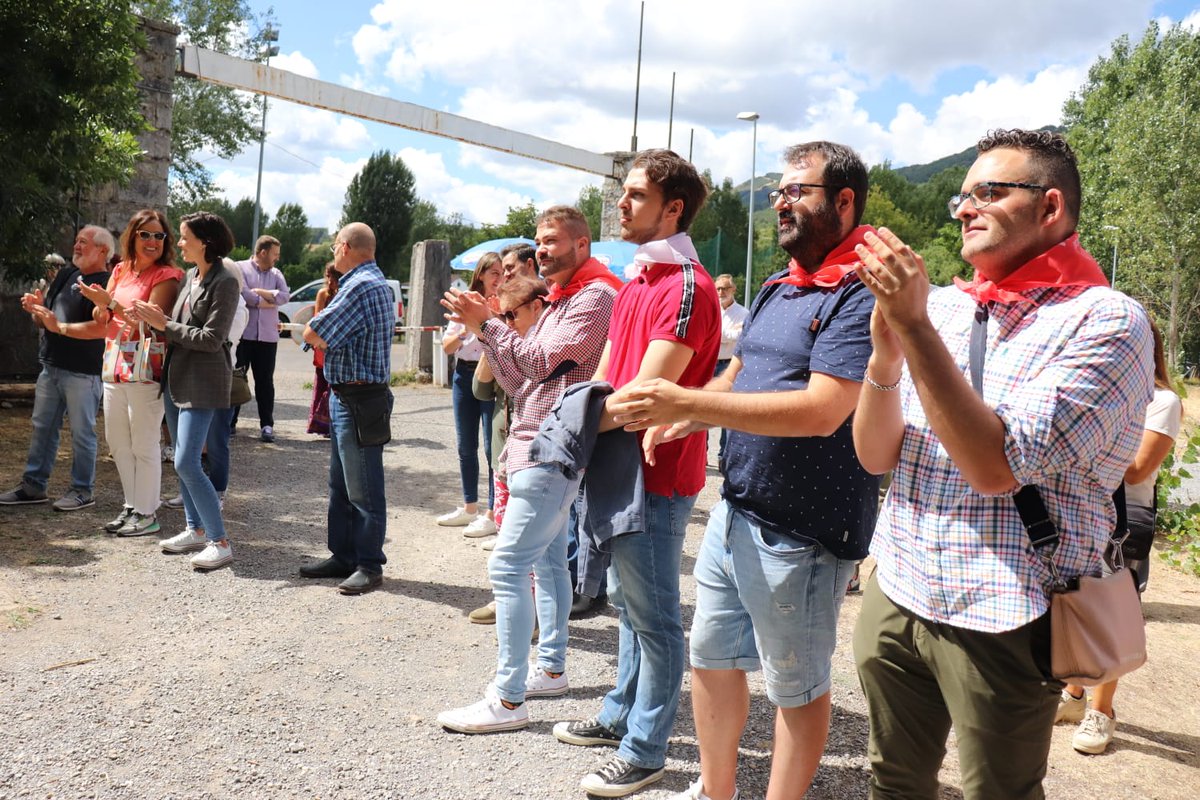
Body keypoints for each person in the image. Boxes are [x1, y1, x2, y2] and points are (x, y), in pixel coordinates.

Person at [850, 128, 1152, 799]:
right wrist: (886, 355)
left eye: (988, 192)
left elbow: (994, 467)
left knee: (1000, 792)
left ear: (1049, 209)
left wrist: (916, 328)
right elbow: (876, 456)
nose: (963, 208)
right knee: (893, 779)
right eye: (963, 194)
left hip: (1006, 608)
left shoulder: (1106, 322)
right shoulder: (949, 308)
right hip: (899, 583)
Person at [609, 141, 880, 800]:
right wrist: (699, 416)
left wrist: (685, 400)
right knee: (711, 656)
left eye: (797, 191)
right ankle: (716, 790)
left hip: (804, 532)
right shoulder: (779, 281)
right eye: (778, 192)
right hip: (738, 510)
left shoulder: (861, 290)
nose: (781, 203)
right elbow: (744, 368)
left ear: (843, 202)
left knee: (796, 685)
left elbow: (823, 410)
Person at [554, 149, 720, 798]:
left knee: (653, 619)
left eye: (634, 195)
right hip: (620, 468)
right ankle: (619, 714)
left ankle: (645, 750)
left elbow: (640, 395)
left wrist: (556, 429)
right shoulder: (641, 282)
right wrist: (579, 422)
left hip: (657, 475)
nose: (620, 204)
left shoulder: (684, 287)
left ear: (672, 208)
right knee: (627, 604)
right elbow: (606, 380)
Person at [437, 206, 619, 734]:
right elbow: (519, 384)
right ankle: (552, 669)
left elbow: (539, 366)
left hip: (550, 450)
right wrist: (491, 329)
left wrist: (488, 324)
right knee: (546, 563)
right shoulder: (564, 298)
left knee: (507, 566)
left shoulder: (595, 297)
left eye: (551, 241)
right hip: (535, 448)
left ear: (581, 245)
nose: (540, 251)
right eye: (538, 241)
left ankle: (509, 699)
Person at [1057, 319, 1181, 755]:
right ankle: (1073, 696)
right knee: (1075, 604)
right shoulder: (1101, 394)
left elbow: (1138, 469)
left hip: (1125, 519)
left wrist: (1082, 442)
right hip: (1085, 510)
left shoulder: (1163, 402)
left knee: (1107, 614)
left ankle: (1101, 711)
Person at [131, 212, 239, 571]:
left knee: (186, 461)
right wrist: (152, 323)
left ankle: (219, 541)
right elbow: (175, 328)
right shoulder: (191, 277)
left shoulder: (226, 282)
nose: (178, 243)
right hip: (177, 379)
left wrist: (165, 325)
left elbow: (212, 339)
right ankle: (194, 530)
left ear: (205, 242)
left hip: (204, 382)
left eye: (183, 237)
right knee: (182, 458)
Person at [298, 223, 395, 596]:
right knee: (343, 486)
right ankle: (344, 555)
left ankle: (368, 565)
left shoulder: (359, 286)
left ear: (344, 247)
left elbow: (312, 333)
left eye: (334, 246)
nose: (332, 254)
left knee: (363, 489)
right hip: (352, 396)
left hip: (359, 399)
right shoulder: (370, 283)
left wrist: (315, 334)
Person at [79, 210, 183, 537]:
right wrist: (101, 305)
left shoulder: (167, 275)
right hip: (115, 364)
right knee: (118, 443)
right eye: (145, 234)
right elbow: (104, 317)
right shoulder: (121, 270)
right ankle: (131, 506)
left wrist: (109, 302)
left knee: (144, 443)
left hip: (145, 368)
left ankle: (147, 512)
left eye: (159, 236)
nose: (152, 241)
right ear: (133, 236)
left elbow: (151, 321)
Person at [1, 226, 115, 511]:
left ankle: (82, 490)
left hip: (84, 371)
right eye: (76, 240)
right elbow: (47, 321)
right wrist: (38, 310)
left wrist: (58, 326)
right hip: (50, 365)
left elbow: (101, 328)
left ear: (103, 250)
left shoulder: (108, 284)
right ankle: (33, 486)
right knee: (42, 428)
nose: (76, 246)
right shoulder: (66, 274)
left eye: (84, 242)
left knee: (82, 433)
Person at [464, 274, 551, 623]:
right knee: (506, 532)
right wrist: (493, 334)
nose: (508, 322)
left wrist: (494, 330)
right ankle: (509, 603)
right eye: (503, 314)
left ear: (537, 307)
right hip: (505, 450)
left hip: (532, 456)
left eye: (512, 314)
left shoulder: (541, 347)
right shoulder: (507, 338)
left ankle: (529, 614)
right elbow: (481, 390)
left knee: (530, 548)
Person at [436, 252, 503, 537]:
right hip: (464, 374)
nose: (500, 278)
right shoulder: (465, 303)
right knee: (466, 446)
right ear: (481, 275)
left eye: (502, 272)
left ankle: (492, 513)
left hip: (491, 375)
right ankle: (469, 508)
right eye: (494, 273)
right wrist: (466, 330)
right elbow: (447, 347)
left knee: (492, 448)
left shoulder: (504, 304)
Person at [233, 235, 289, 443]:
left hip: (267, 338)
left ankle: (267, 425)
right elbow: (243, 293)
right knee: (237, 378)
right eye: (275, 254)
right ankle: (231, 422)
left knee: (265, 382)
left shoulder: (276, 273)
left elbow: (284, 297)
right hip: (243, 336)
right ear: (263, 252)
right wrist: (262, 301)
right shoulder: (240, 268)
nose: (277, 258)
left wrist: (262, 293)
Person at [711, 272, 748, 462]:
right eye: (717, 288)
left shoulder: (743, 313)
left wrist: (720, 333)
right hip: (709, 363)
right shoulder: (711, 309)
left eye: (725, 288)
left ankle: (723, 457)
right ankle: (701, 456)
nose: (720, 292)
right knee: (703, 409)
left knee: (726, 412)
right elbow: (725, 336)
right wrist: (727, 334)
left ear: (733, 289)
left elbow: (739, 337)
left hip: (729, 365)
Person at [307, 263, 339, 437]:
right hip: (323, 344)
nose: (329, 280)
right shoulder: (322, 293)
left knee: (335, 386)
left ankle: (334, 424)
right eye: (327, 275)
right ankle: (321, 426)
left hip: (337, 343)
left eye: (332, 276)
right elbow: (317, 317)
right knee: (322, 384)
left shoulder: (344, 293)